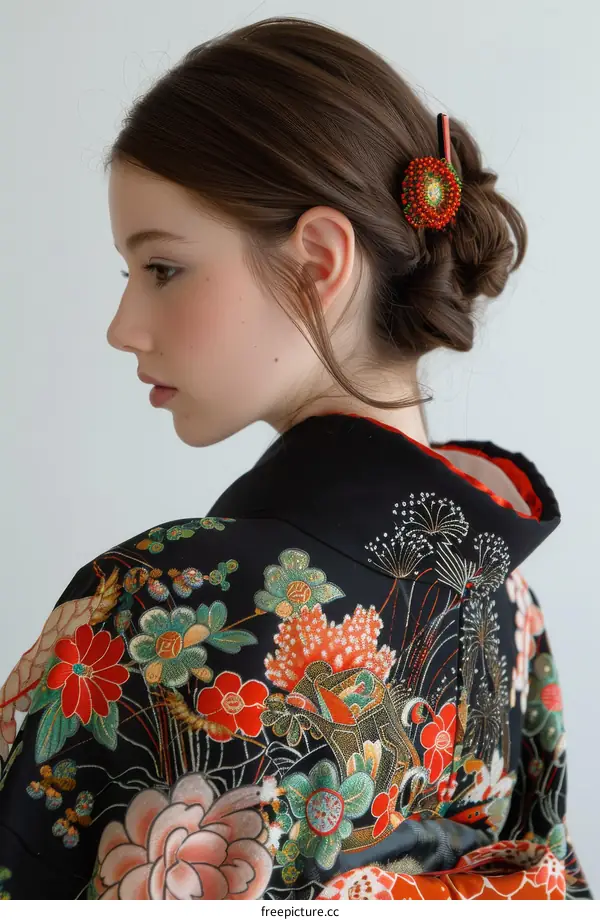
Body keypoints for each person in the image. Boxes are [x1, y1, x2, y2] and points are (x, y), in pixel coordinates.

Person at [0, 16, 591, 901]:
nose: (122, 327)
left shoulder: (165, 605)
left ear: (319, 258)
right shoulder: (506, 601)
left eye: (161, 267)